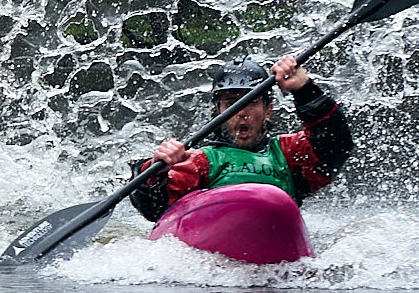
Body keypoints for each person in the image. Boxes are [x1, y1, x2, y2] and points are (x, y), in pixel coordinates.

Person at [131, 53, 353, 220]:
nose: (241, 112)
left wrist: (305, 90)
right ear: (217, 112)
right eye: (230, 103)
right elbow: (154, 209)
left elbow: (335, 146)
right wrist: (154, 169)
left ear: (268, 111)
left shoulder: (289, 153)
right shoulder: (200, 161)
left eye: (251, 101)